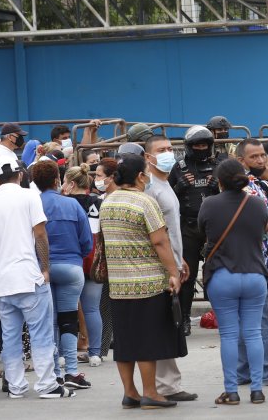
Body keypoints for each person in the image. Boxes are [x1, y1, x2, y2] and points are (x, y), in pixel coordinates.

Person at [0, 154, 73, 400]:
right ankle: (47, 385)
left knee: (10, 336)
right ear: (20, 175)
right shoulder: (30, 196)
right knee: (40, 333)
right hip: (28, 275)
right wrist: (45, 268)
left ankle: (16, 386)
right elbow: (40, 234)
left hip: (2, 279)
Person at [100, 154, 184, 410]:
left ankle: (130, 393)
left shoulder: (108, 202)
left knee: (125, 340)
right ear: (139, 176)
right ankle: (151, 393)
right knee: (148, 339)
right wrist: (174, 272)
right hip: (148, 282)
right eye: (146, 172)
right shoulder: (146, 202)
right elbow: (160, 241)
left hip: (118, 284)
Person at [199, 159, 268, 405]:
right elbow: (262, 230)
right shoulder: (258, 204)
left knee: (229, 335)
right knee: (253, 333)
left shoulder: (209, 204)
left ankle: (231, 391)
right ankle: (257, 390)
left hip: (222, 274)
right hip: (254, 273)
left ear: (219, 181)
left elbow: (202, 231)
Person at [142, 135, 199, 402]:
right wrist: (170, 265)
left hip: (172, 261)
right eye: (161, 150)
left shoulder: (165, 184)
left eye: (169, 149)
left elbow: (171, 229)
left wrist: (179, 258)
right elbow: (155, 233)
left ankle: (168, 384)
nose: (168, 153)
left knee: (167, 324)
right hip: (160, 266)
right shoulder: (149, 187)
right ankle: (164, 386)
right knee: (162, 325)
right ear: (148, 157)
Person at [233, 139, 268, 387]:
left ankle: (244, 371)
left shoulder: (253, 185)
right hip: (260, 261)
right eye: (254, 157)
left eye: (262, 155)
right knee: (265, 318)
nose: (261, 160)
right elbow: (249, 228)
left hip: (254, 260)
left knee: (246, 319)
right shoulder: (248, 189)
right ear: (241, 161)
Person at [34, 159, 94, 391]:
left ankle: (54, 373)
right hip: (71, 266)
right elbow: (87, 241)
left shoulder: (33, 204)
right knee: (69, 320)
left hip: (42, 269)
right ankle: (72, 371)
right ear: (57, 180)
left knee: (49, 322)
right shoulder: (72, 205)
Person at [169, 125, 221, 335]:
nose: (201, 149)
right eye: (197, 145)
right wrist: (178, 187)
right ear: (189, 146)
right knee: (187, 276)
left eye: (204, 145)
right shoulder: (178, 168)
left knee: (216, 273)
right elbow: (166, 198)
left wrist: (218, 187)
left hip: (213, 228)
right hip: (188, 227)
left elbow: (233, 194)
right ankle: (185, 319)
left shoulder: (218, 166)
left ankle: (221, 315)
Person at [61, 165, 103, 366]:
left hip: (71, 257)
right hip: (93, 259)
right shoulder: (98, 202)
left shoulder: (64, 203)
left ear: (71, 183)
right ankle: (95, 353)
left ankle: (63, 354)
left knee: (65, 309)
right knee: (92, 309)